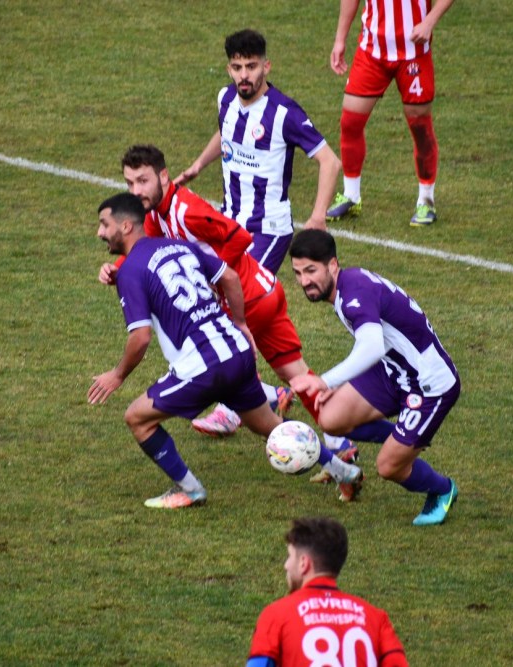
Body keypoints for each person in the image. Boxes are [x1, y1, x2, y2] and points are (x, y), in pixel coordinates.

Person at [89, 193, 362, 507]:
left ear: (125, 226)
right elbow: (230, 276)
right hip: (237, 351)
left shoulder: (131, 270)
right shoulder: (180, 246)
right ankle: (343, 471)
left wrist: (117, 375)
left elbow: (140, 337)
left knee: (137, 418)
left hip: (203, 367)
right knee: (267, 425)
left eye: (104, 224)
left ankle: (191, 490)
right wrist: (241, 323)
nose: (100, 232)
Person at [288, 229, 460, 526]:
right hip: (393, 371)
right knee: (330, 417)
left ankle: (442, 489)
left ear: (332, 265)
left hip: (429, 384)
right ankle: (404, 437)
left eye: (311, 271)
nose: (304, 281)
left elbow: (371, 347)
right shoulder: (348, 285)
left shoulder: (353, 294)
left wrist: (326, 381)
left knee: (389, 467)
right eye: (298, 273)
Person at [175, 29, 341, 274]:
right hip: (229, 222)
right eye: (237, 67)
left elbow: (330, 161)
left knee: (241, 288)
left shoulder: (285, 113)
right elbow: (226, 131)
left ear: (266, 67)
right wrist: (198, 165)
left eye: (251, 66)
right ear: (228, 69)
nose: (244, 75)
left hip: (268, 229)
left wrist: (318, 216)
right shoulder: (225, 98)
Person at [326, 0, 455, 227]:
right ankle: (351, 195)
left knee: (420, 126)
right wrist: (339, 39)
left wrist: (429, 22)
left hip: (414, 52)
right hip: (372, 51)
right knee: (350, 122)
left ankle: (426, 200)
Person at [246, 517, 408, 667]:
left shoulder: (276, 615)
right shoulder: (375, 618)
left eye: (290, 556)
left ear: (304, 563)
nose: (286, 565)